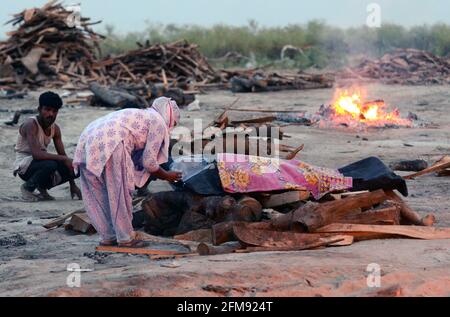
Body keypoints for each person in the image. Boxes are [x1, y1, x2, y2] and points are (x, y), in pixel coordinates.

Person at [73, 97, 182, 248]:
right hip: (114, 140)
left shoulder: (141, 114)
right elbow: (149, 162)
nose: (172, 127)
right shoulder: (158, 121)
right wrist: (167, 176)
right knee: (119, 192)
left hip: (87, 138)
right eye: (174, 124)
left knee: (96, 194)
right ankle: (125, 238)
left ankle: (108, 237)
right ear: (169, 116)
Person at [13, 91, 82, 202]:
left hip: (41, 164)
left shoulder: (55, 129)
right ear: (40, 109)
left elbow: (62, 155)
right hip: (24, 166)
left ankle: (42, 188)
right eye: (47, 109)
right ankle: (27, 188)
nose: (51, 114)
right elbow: (37, 155)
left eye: (54, 111)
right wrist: (64, 159)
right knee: (51, 164)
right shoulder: (30, 125)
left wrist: (72, 184)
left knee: (76, 168)